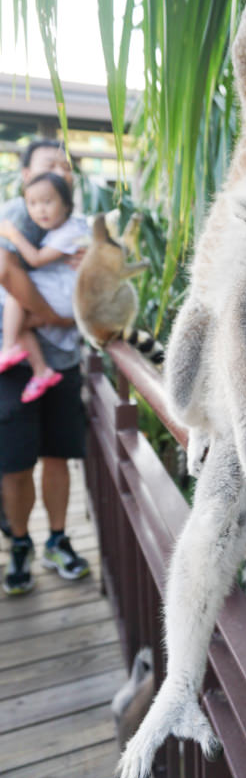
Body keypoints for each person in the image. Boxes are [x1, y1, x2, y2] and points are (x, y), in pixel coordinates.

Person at [0, 139, 89, 595]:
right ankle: (19, 545)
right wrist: (56, 314)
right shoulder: (12, 223)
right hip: (11, 364)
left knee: (58, 457)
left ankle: (56, 539)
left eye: (64, 166)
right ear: (25, 180)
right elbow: (11, 275)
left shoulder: (73, 226)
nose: (59, 170)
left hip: (65, 359)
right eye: (47, 165)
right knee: (14, 466)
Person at [0, 172, 88, 402]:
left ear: (67, 204)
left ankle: (8, 348)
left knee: (15, 293)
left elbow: (36, 259)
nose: (41, 210)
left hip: (67, 297)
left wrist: (12, 234)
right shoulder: (66, 228)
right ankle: (41, 371)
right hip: (64, 298)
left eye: (48, 202)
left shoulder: (72, 230)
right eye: (33, 203)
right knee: (21, 324)